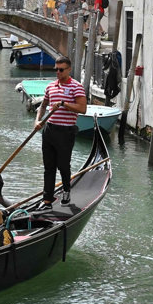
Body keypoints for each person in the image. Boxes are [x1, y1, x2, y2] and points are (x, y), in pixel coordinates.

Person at [35, 56, 87, 207]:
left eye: (61, 70)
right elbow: (43, 106)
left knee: (63, 165)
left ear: (69, 70)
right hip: (49, 129)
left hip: (66, 132)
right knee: (48, 167)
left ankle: (66, 190)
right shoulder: (50, 86)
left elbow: (82, 108)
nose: (58, 72)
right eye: (56, 69)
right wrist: (38, 121)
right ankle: (47, 199)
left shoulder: (76, 87)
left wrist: (64, 104)